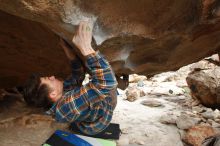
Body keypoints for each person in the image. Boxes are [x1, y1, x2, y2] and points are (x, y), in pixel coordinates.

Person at [23, 21, 118, 135]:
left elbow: (77, 76)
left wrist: (69, 52)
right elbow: (108, 83)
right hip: (99, 122)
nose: (52, 76)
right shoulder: (66, 106)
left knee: (94, 70)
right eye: (49, 79)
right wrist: (86, 48)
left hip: (82, 116)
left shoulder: (58, 94)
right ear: (52, 94)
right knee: (109, 83)